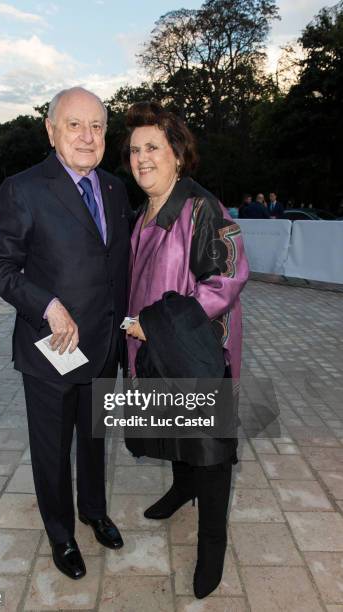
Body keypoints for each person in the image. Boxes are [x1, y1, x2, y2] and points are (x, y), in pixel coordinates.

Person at [0, 87, 130, 581]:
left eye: (97, 127)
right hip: (52, 352)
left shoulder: (113, 187)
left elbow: (116, 267)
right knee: (52, 448)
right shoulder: (24, 188)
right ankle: (61, 533)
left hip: (104, 345)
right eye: (74, 125)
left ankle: (93, 511)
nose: (87, 137)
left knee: (94, 438)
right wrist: (45, 304)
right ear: (51, 130)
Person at [123, 101, 249, 599]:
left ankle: (212, 546)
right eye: (134, 150)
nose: (141, 158)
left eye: (152, 147)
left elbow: (226, 279)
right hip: (153, 352)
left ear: (177, 154)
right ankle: (181, 488)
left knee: (209, 451)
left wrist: (155, 326)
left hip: (195, 351)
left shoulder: (202, 208)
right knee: (168, 427)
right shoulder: (142, 212)